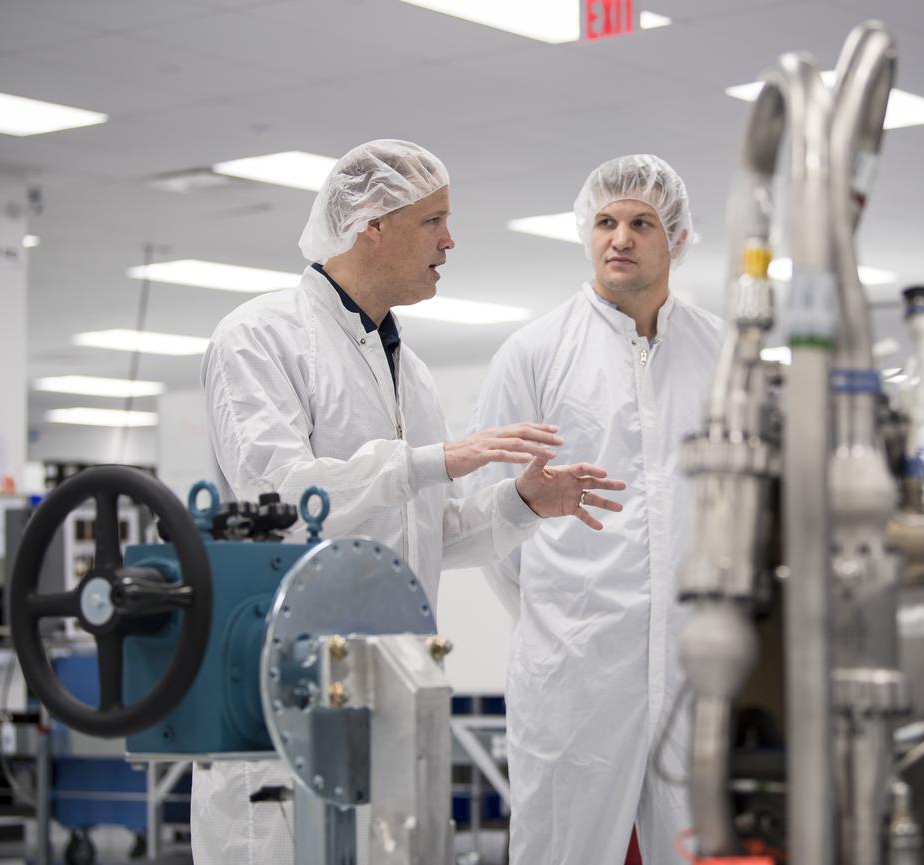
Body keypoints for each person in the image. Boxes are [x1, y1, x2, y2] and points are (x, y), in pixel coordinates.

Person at [195, 139, 625, 864]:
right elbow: (281, 496)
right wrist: (431, 460)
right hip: (282, 704)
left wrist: (521, 503)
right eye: (435, 222)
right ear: (374, 224)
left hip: (390, 704)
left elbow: (424, 532)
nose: (450, 241)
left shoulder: (410, 371)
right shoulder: (260, 338)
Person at [467, 154, 721, 864]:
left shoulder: (722, 352)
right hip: (574, 670)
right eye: (606, 221)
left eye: (641, 223)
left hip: (696, 673)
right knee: (563, 850)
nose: (620, 238)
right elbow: (489, 515)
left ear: (676, 237)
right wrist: (565, 617)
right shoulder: (536, 353)